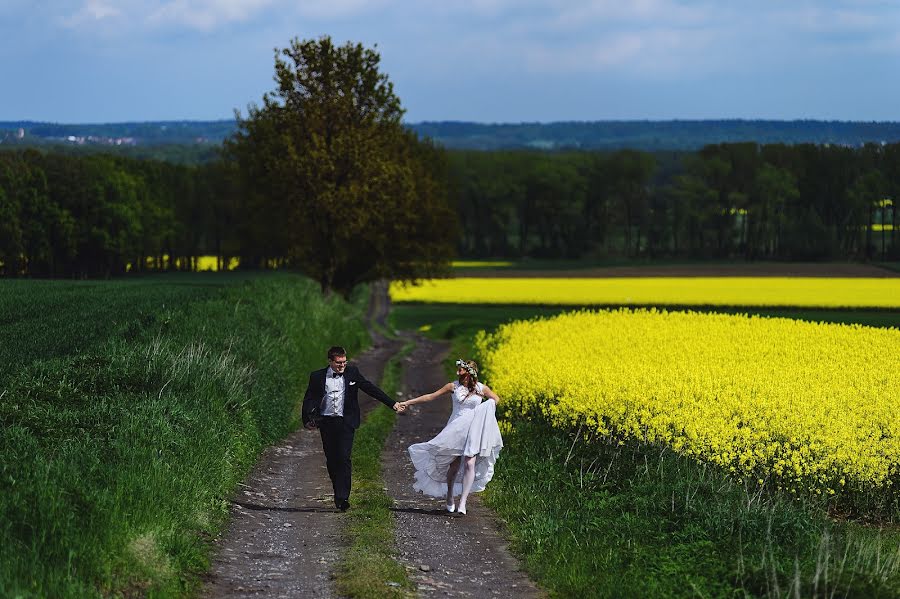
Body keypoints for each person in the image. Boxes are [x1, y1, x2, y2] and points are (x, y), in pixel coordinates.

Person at [302, 346, 405, 511]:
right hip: (326, 422)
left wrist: (392, 403)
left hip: (346, 422)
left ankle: (343, 498)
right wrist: (306, 419)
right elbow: (309, 398)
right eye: (338, 363)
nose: (342, 366)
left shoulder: (352, 373)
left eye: (344, 362)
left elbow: (370, 389)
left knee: (344, 458)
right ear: (330, 361)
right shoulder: (317, 376)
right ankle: (338, 490)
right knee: (332, 460)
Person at [398, 359, 503, 515]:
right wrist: (408, 402)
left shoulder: (482, 388)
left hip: (472, 431)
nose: (457, 372)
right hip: (455, 430)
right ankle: (449, 495)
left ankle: (463, 503)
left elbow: (496, 400)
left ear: (469, 372)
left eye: (460, 370)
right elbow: (430, 397)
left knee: (469, 463)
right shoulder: (453, 386)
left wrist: (484, 407)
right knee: (453, 466)